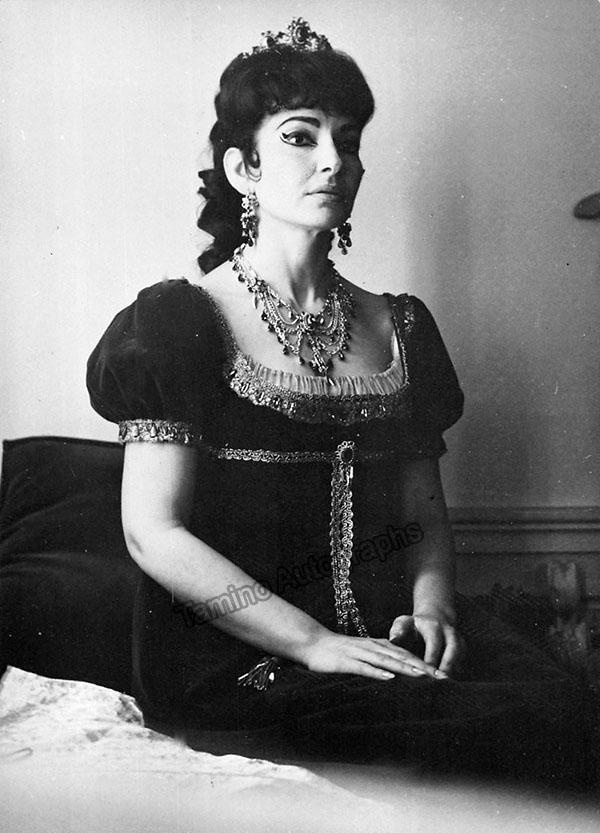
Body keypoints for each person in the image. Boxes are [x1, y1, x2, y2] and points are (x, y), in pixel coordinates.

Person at [87, 19, 593, 785]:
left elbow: (423, 518)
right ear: (243, 168)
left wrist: (435, 611)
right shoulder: (177, 323)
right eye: (301, 136)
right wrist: (314, 643)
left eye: (348, 141)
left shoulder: (402, 327)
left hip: (388, 637)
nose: (333, 160)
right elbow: (153, 531)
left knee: (561, 718)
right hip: (243, 653)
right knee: (442, 749)